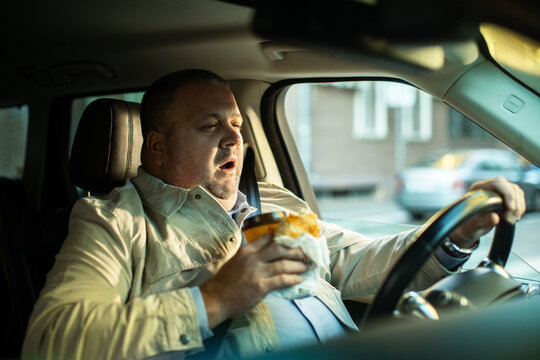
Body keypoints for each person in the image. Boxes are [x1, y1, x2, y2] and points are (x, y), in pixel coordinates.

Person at [22, 69, 526, 360]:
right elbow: (53, 339)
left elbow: (357, 261)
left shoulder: (275, 201)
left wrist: (455, 233)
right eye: (208, 125)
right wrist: (214, 300)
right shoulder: (114, 222)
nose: (234, 138)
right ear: (155, 148)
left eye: (238, 125)